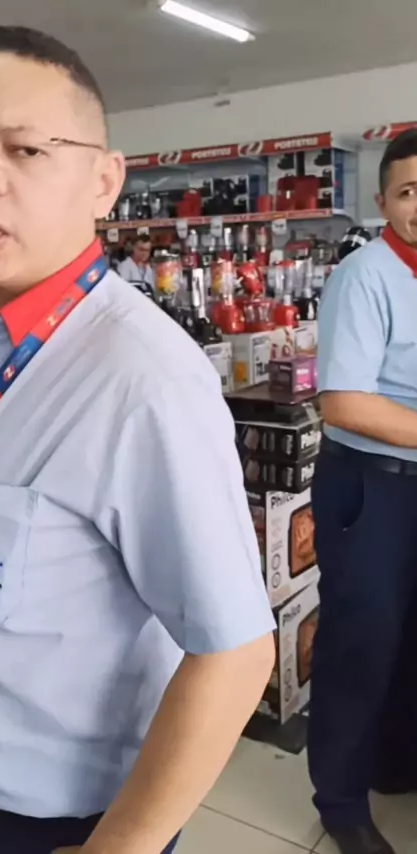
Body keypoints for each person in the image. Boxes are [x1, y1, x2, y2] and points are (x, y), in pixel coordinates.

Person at [0, 24, 276, 854]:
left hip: (24, 821)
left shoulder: (143, 380)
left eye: (25, 149)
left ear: (104, 181)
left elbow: (235, 653)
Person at [308, 128, 417, 854]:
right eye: (409, 192)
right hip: (372, 489)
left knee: (409, 642)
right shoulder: (365, 275)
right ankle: (341, 802)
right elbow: (344, 403)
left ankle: (395, 763)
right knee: (362, 645)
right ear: (383, 201)